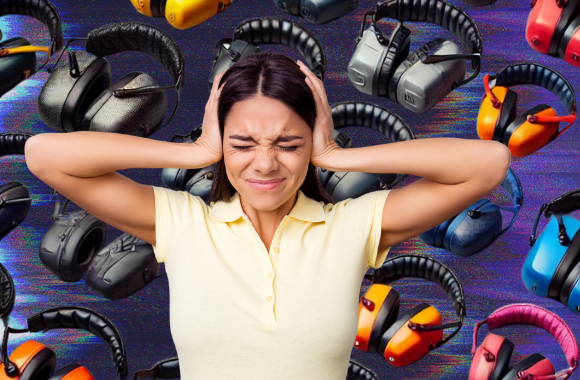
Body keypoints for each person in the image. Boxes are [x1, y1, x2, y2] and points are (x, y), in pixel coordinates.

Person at [25, 52, 511, 379]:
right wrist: (198, 150)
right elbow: (45, 155)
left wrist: (335, 154)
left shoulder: (352, 225)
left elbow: (488, 164)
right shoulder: (182, 222)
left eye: (289, 144)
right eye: (241, 144)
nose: (264, 164)